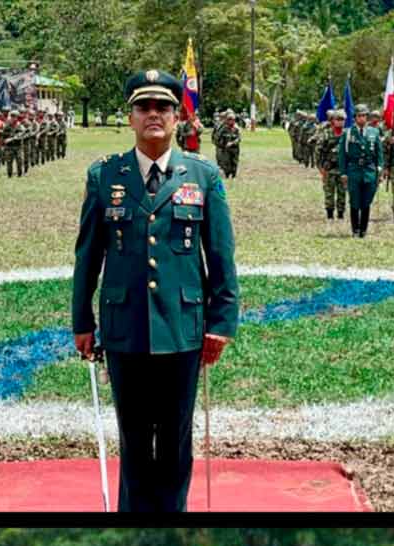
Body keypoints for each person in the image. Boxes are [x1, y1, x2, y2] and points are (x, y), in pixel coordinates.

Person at [71, 69, 239, 512]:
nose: (153, 115)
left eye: (163, 107)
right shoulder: (105, 176)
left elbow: (220, 255)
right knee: (133, 436)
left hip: (183, 329)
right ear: (130, 117)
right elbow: (88, 255)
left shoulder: (202, 175)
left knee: (175, 437)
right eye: (143, 107)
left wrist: (222, 322)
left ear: (178, 116)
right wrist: (82, 321)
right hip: (124, 326)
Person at [339, 105, 383, 238]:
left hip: (369, 171)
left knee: (366, 201)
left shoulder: (374, 132)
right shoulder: (347, 133)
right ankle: (355, 229)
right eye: (359, 116)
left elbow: (379, 153)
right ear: (355, 118)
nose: (362, 118)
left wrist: (379, 169)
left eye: (364, 115)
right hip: (354, 170)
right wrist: (343, 172)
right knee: (354, 201)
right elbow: (342, 155)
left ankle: (363, 230)